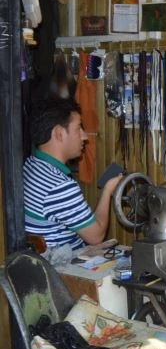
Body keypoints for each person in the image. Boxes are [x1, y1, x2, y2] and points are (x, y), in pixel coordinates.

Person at [23, 98, 123, 251]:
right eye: (78, 128)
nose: (84, 136)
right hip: (60, 269)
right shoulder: (59, 186)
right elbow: (96, 237)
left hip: (38, 263)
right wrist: (108, 191)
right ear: (59, 133)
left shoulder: (30, 165)